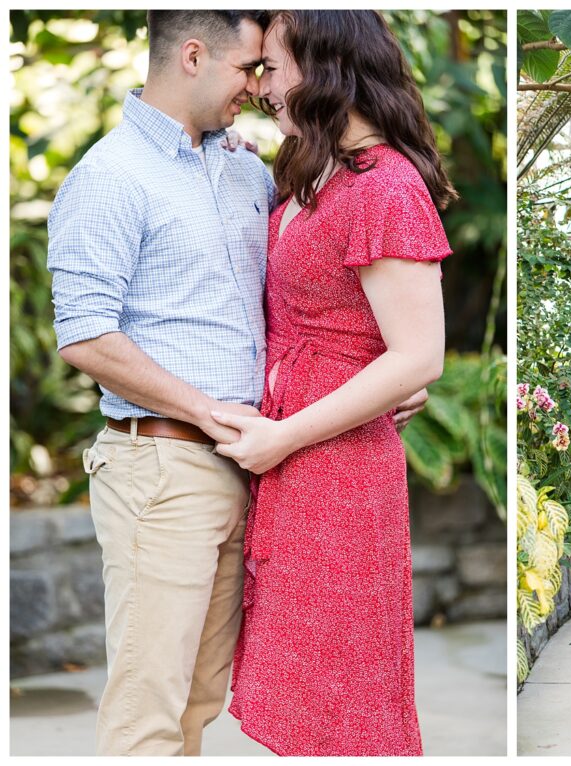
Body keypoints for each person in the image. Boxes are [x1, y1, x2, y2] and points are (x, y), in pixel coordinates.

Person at [47, 11, 423, 756]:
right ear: (193, 56)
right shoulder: (111, 175)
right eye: (249, 70)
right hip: (162, 467)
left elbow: (306, 301)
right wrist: (211, 412)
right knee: (146, 706)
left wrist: (386, 373)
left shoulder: (250, 170)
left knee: (197, 700)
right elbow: (85, 336)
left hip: (253, 467)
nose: (259, 89)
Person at [209, 11, 453, 756]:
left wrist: (283, 435)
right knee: (302, 694)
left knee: (338, 698)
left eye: (273, 69)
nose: (261, 88)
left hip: (334, 470)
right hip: (296, 461)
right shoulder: (319, 173)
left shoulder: (385, 187)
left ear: (326, 69)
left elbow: (419, 358)